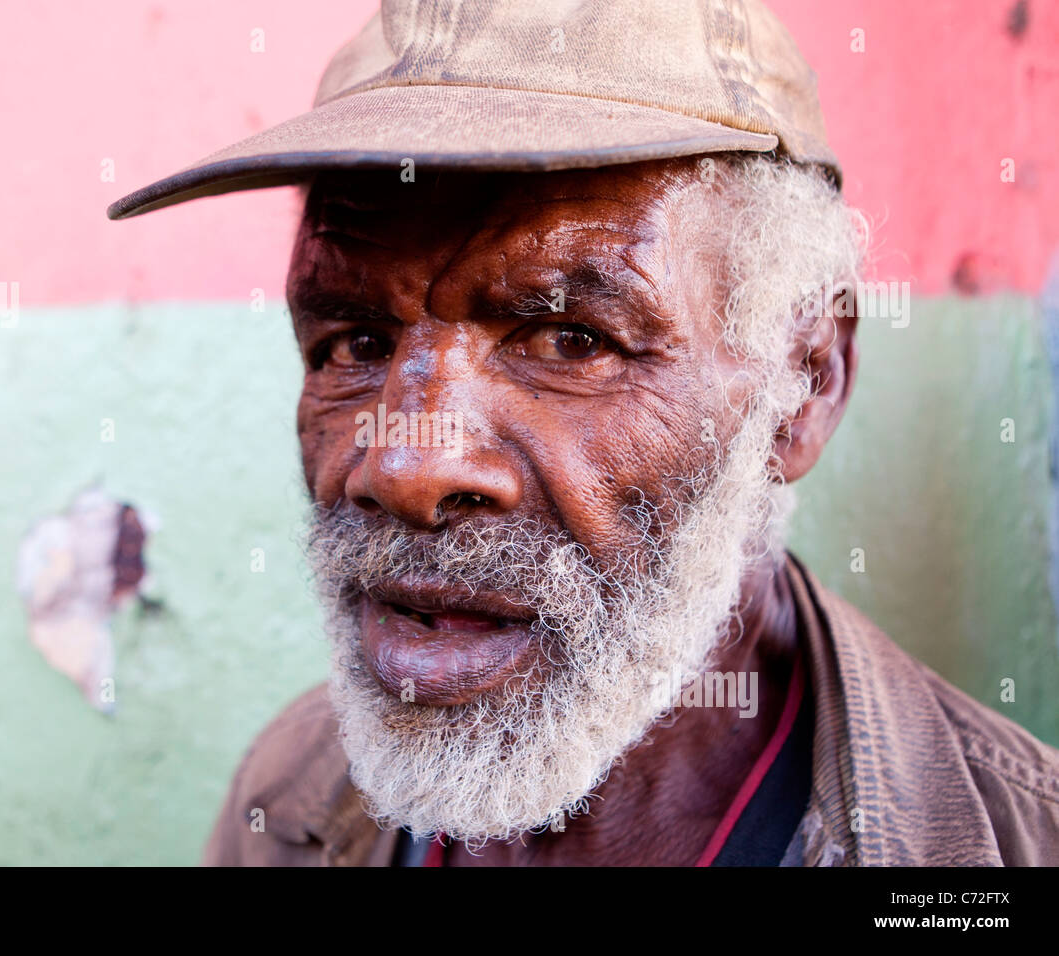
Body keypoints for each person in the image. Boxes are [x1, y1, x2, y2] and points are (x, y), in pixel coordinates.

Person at [109, 0, 1059, 865]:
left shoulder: (1007, 849)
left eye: (570, 339)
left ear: (803, 384)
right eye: (356, 340)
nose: (402, 468)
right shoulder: (291, 795)